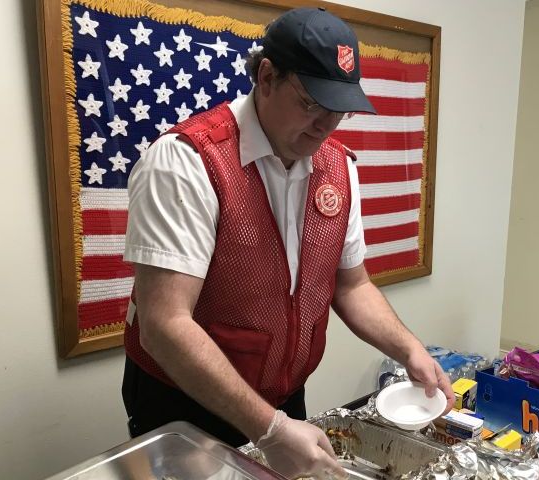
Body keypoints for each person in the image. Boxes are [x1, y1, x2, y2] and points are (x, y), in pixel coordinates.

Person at [121, 7, 454, 479]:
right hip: (184, 400)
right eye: (311, 103)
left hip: (281, 395)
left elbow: (351, 285)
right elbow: (164, 325)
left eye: (337, 110)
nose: (325, 126)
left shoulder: (338, 166)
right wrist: (271, 429)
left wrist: (410, 350)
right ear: (267, 76)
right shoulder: (185, 162)